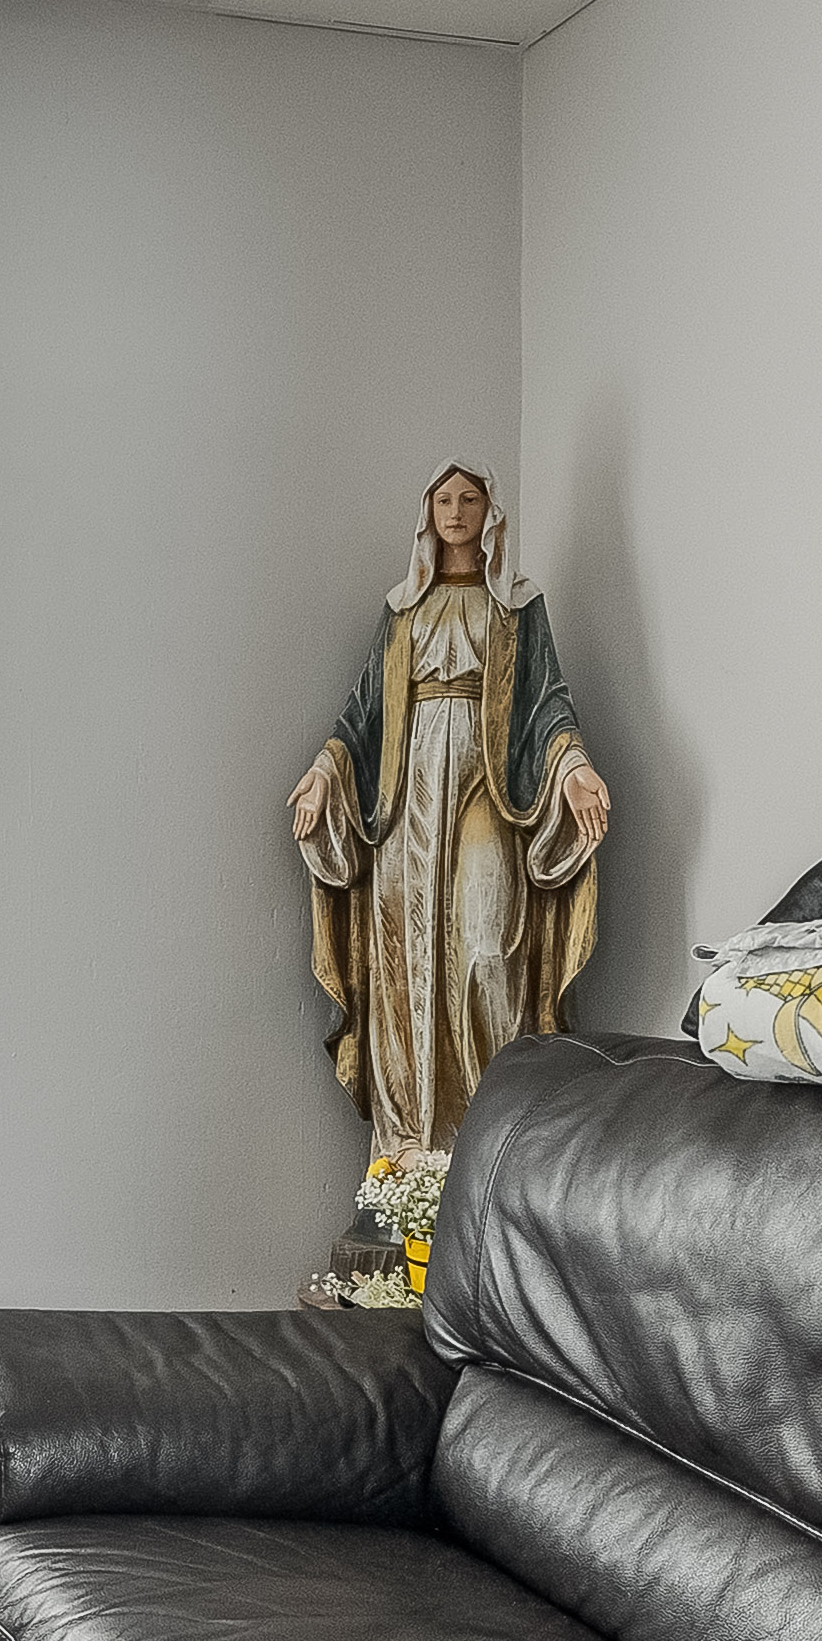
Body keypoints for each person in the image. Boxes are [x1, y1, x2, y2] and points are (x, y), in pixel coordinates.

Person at [290, 463, 611, 1155]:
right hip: (406, 799)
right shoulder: (402, 608)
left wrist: (575, 766)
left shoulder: (517, 605)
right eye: (444, 499)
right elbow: (363, 709)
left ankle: (488, 1137)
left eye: (470, 498)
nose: (456, 511)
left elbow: (546, 698)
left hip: (484, 785)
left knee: (484, 943)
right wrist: (323, 770)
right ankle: (411, 1143)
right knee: (407, 959)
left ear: (490, 510)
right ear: (427, 511)